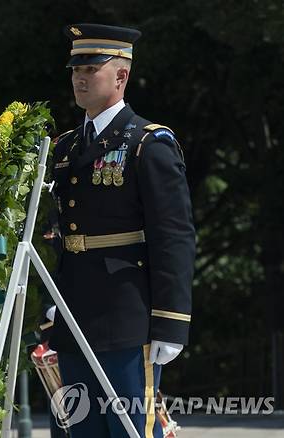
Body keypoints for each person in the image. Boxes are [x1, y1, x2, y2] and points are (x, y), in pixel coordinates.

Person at [49, 24, 196, 437]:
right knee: (82, 430)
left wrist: (171, 321)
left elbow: (174, 237)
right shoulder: (65, 147)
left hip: (127, 313)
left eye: (92, 68)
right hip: (76, 310)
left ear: (121, 76)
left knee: (132, 429)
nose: (80, 77)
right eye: (75, 68)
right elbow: (58, 231)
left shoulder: (148, 143)